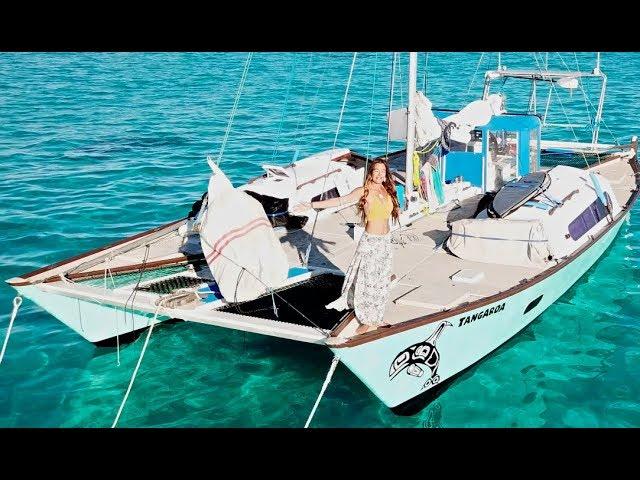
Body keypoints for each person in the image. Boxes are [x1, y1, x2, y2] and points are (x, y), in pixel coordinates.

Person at [293, 159, 400, 335]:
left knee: (381, 280)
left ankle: (377, 316)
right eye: (376, 171)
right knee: (368, 281)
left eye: (383, 171)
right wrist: (312, 205)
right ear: (370, 173)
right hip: (371, 241)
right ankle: (366, 321)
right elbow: (340, 201)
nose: (380, 175)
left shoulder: (388, 190)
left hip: (385, 241)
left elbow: (391, 211)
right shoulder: (363, 191)